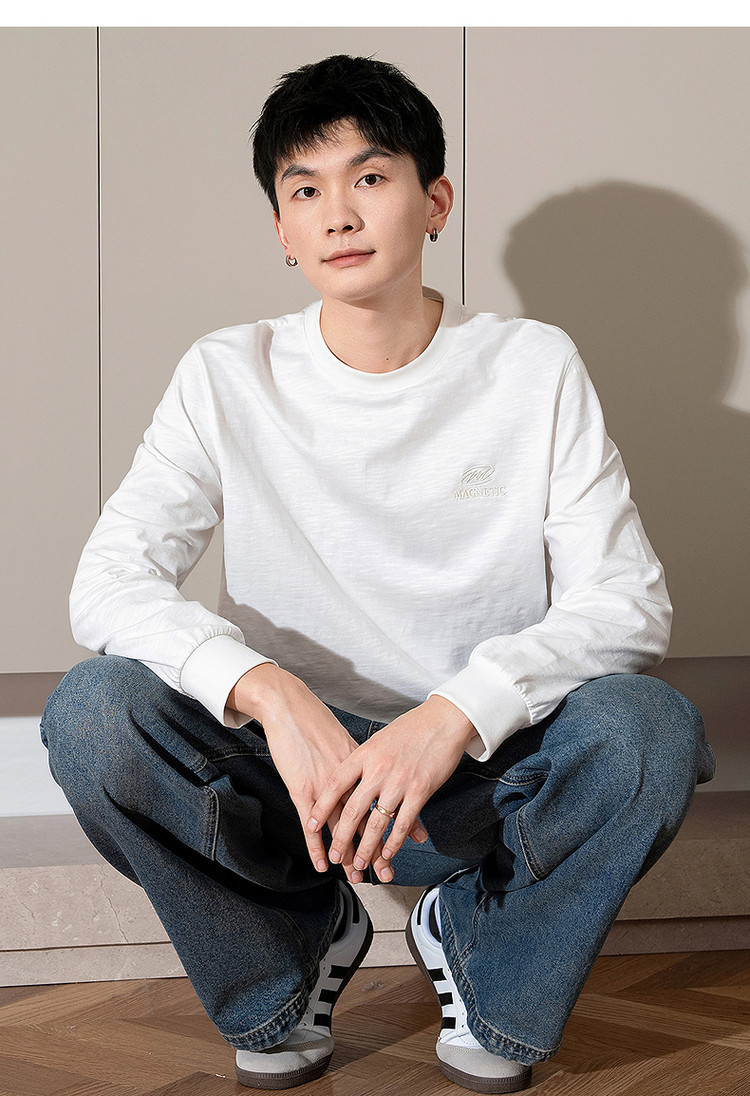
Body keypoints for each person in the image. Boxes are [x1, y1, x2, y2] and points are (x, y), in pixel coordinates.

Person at [41, 54, 715, 1094]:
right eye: (305, 190)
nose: (339, 215)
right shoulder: (227, 372)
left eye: (369, 177)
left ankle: (483, 950)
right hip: (297, 781)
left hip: (475, 773)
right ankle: (288, 953)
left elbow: (627, 603)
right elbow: (106, 583)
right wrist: (271, 694)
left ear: (434, 201)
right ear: (281, 229)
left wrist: (453, 713)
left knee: (649, 729)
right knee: (93, 713)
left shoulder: (531, 364)